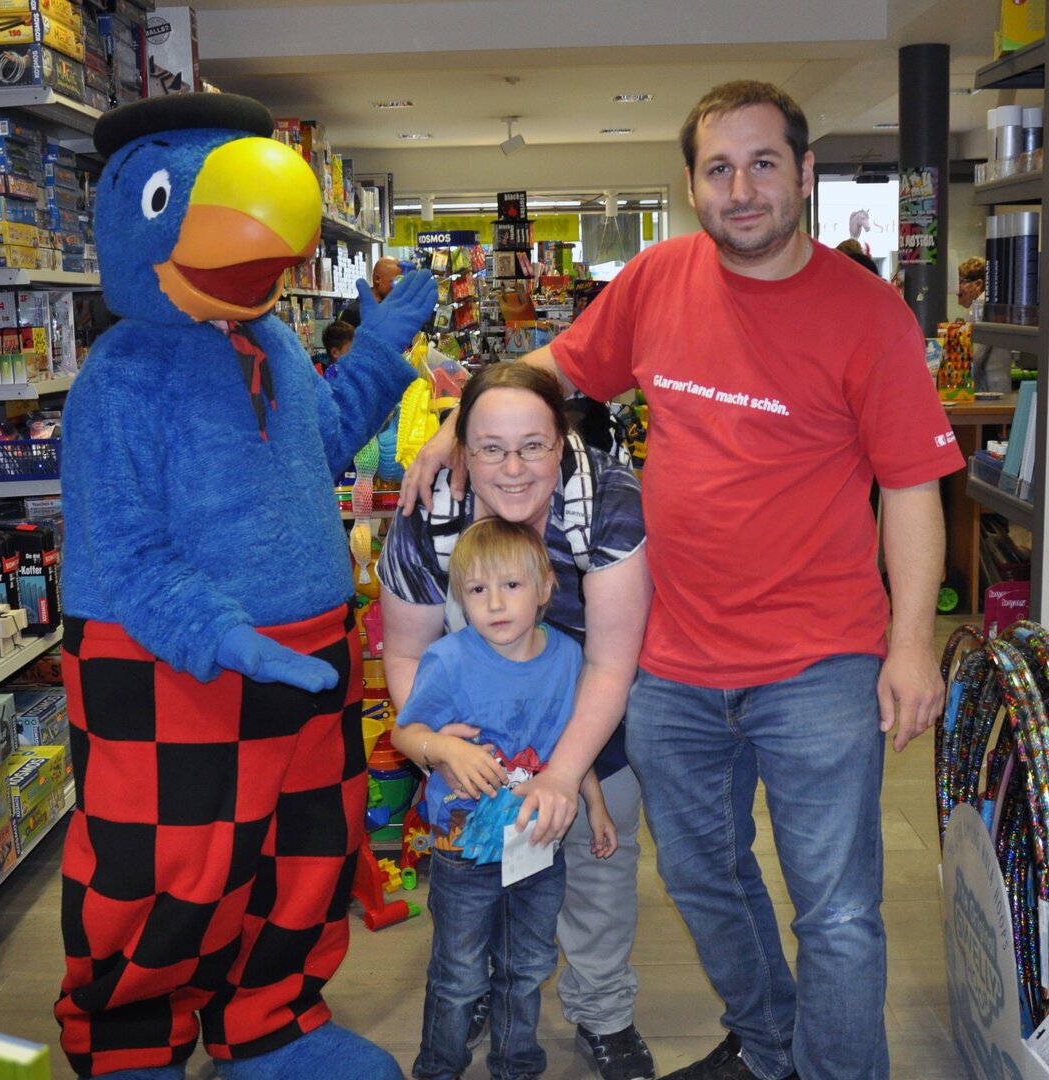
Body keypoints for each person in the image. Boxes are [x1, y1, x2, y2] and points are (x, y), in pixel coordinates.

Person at [400, 80, 965, 1080]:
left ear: (804, 173)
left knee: (836, 911)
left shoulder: (867, 314)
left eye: (762, 164)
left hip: (819, 661)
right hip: (672, 659)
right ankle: (772, 1045)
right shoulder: (659, 277)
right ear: (693, 184)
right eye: (718, 169)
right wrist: (466, 416)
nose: (741, 190)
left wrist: (914, 644)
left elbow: (913, 486)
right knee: (705, 882)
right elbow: (560, 366)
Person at [380, 361, 654, 1080]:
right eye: (490, 447)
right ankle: (474, 992)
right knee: (470, 892)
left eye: (533, 446)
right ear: (461, 449)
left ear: (562, 442)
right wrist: (435, 743)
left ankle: (602, 1009)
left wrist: (565, 777)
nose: (512, 468)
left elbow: (610, 665)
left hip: (583, 706)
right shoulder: (429, 509)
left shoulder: (606, 499)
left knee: (597, 863)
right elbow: (405, 653)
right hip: (477, 730)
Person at [391, 516, 618, 1080]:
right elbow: (404, 732)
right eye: (476, 589)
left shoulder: (568, 659)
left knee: (528, 966)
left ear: (544, 588)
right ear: (460, 598)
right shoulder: (448, 659)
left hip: (538, 844)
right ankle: (438, 1067)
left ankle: (517, 1065)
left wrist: (595, 805)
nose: (494, 603)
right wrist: (444, 747)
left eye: (511, 585)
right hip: (461, 848)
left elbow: (570, 743)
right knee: (459, 973)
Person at [958, 255, 1012, 393]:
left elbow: (977, 353)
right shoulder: (978, 307)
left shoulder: (984, 308)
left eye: (961, 282)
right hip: (990, 386)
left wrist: (952, 374)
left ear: (978, 284)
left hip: (991, 388)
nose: (956, 289)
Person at [341, 256, 401, 326]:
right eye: (395, 282)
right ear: (377, 279)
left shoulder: (393, 309)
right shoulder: (353, 313)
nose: (398, 287)